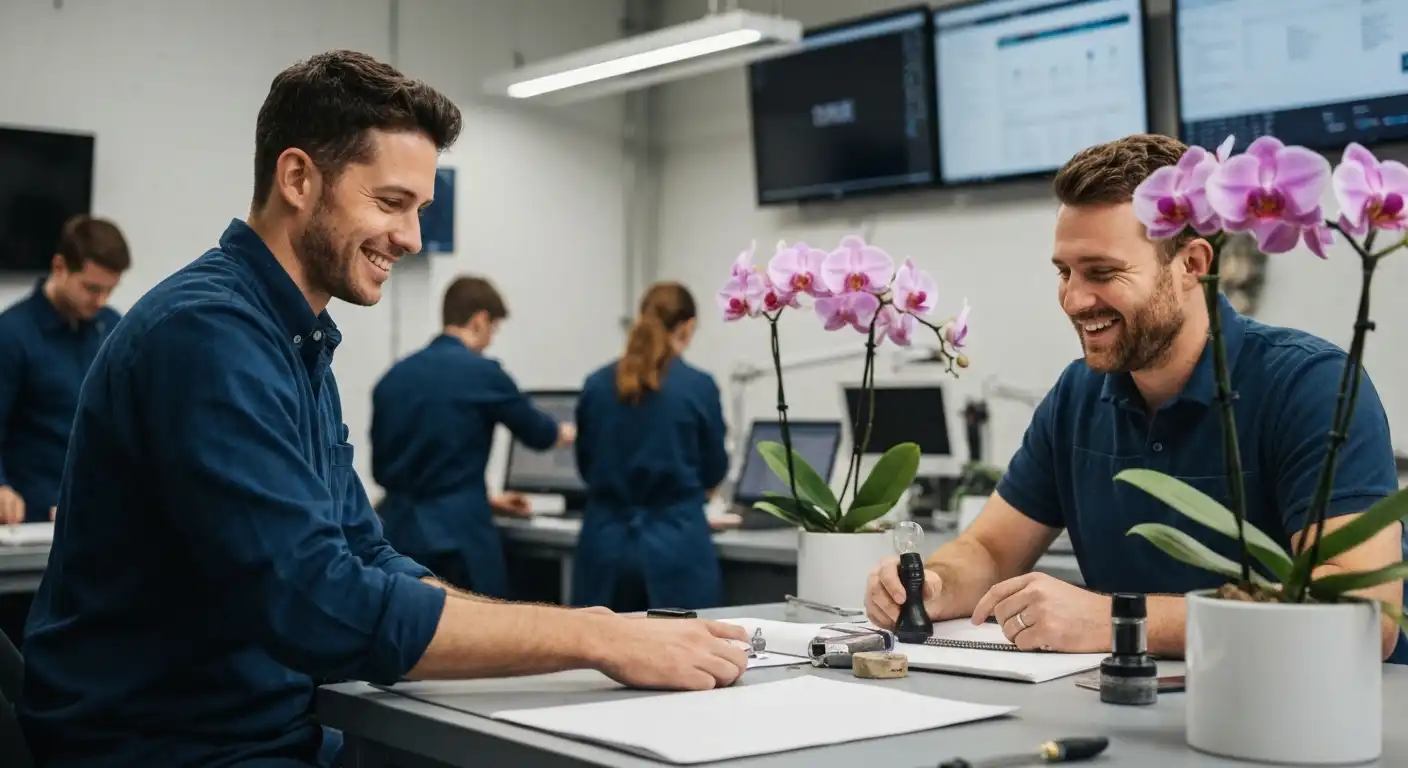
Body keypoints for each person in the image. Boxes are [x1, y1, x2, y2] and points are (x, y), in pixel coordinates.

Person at [18, 50, 748, 768]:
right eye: (391, 203)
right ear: (299, 177)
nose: (411, 238)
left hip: (266, 725)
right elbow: (311, 598)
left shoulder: (293, 337)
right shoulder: (206, 336)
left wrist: (576, 628)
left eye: (420, 209)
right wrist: (595, 639)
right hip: (166, 744)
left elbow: (360, 551)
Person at [865, 133, 1405, 664]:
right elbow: (988, 550)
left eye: (1103, 273)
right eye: (1065, 273)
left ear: (1193, 264)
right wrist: (932, 585)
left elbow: (1362, 620)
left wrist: (1116, 621)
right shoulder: (1077, 395)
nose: (1074, 300)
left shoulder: (1312, 388)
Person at [371, 275, 574, 599]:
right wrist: (567, 432)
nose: (491, 340)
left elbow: (394, 468)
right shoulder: (484, 374)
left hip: (396, 533)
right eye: (493, 330)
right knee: (481, 633)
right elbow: (538, 434)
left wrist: (490, 500)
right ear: (480, 321)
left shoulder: (393, 378)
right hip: (458, 539)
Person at [572, 282, 730, 613]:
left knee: (599, 657)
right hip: (676, 550)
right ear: (687, 328)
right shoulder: (697, 386)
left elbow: (586, 466)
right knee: (682, 656)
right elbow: (714, 468)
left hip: (604, 549)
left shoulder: (596, 384)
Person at [0, 215, 130, 525]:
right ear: (60, 267)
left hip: (93, 515)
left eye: (109, 291)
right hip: (30, 518)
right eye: (91, 288)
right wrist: (1, 487)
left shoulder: (112, 327)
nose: (101, 300)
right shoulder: (12, 334)